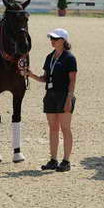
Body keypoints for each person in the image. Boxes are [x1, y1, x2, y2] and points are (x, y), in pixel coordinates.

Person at [27, 28, 77, 172]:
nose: (52, 41)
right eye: (51, 38)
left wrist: (69, 98)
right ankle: (53, 159)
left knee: (65, 128)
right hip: (50, 95)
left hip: (64, 96)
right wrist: (30, 75)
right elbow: (45, 78)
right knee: (53, 128)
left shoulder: (70, 58)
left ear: (63, 40)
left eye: (55, 39)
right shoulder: (49, 57)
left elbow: (72, 80)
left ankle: (66, 161)